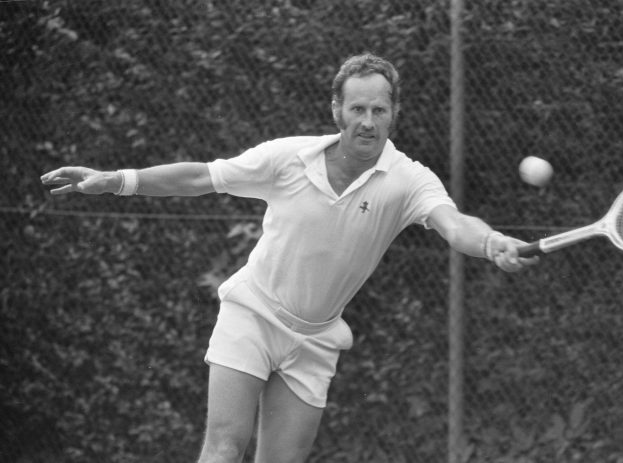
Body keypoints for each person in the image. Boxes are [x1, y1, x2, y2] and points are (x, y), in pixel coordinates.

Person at [41, 53, 538, 463]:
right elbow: (202, 177)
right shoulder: (287, 158)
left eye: (379, 110)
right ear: (337, 110)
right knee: (224, 449)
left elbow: (454, 224)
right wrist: (116, 180)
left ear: (394, 113)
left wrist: (491, 241)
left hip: (316, 339)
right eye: (357, 108)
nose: (367, 121)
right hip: (253, 314)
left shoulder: (409, 181)